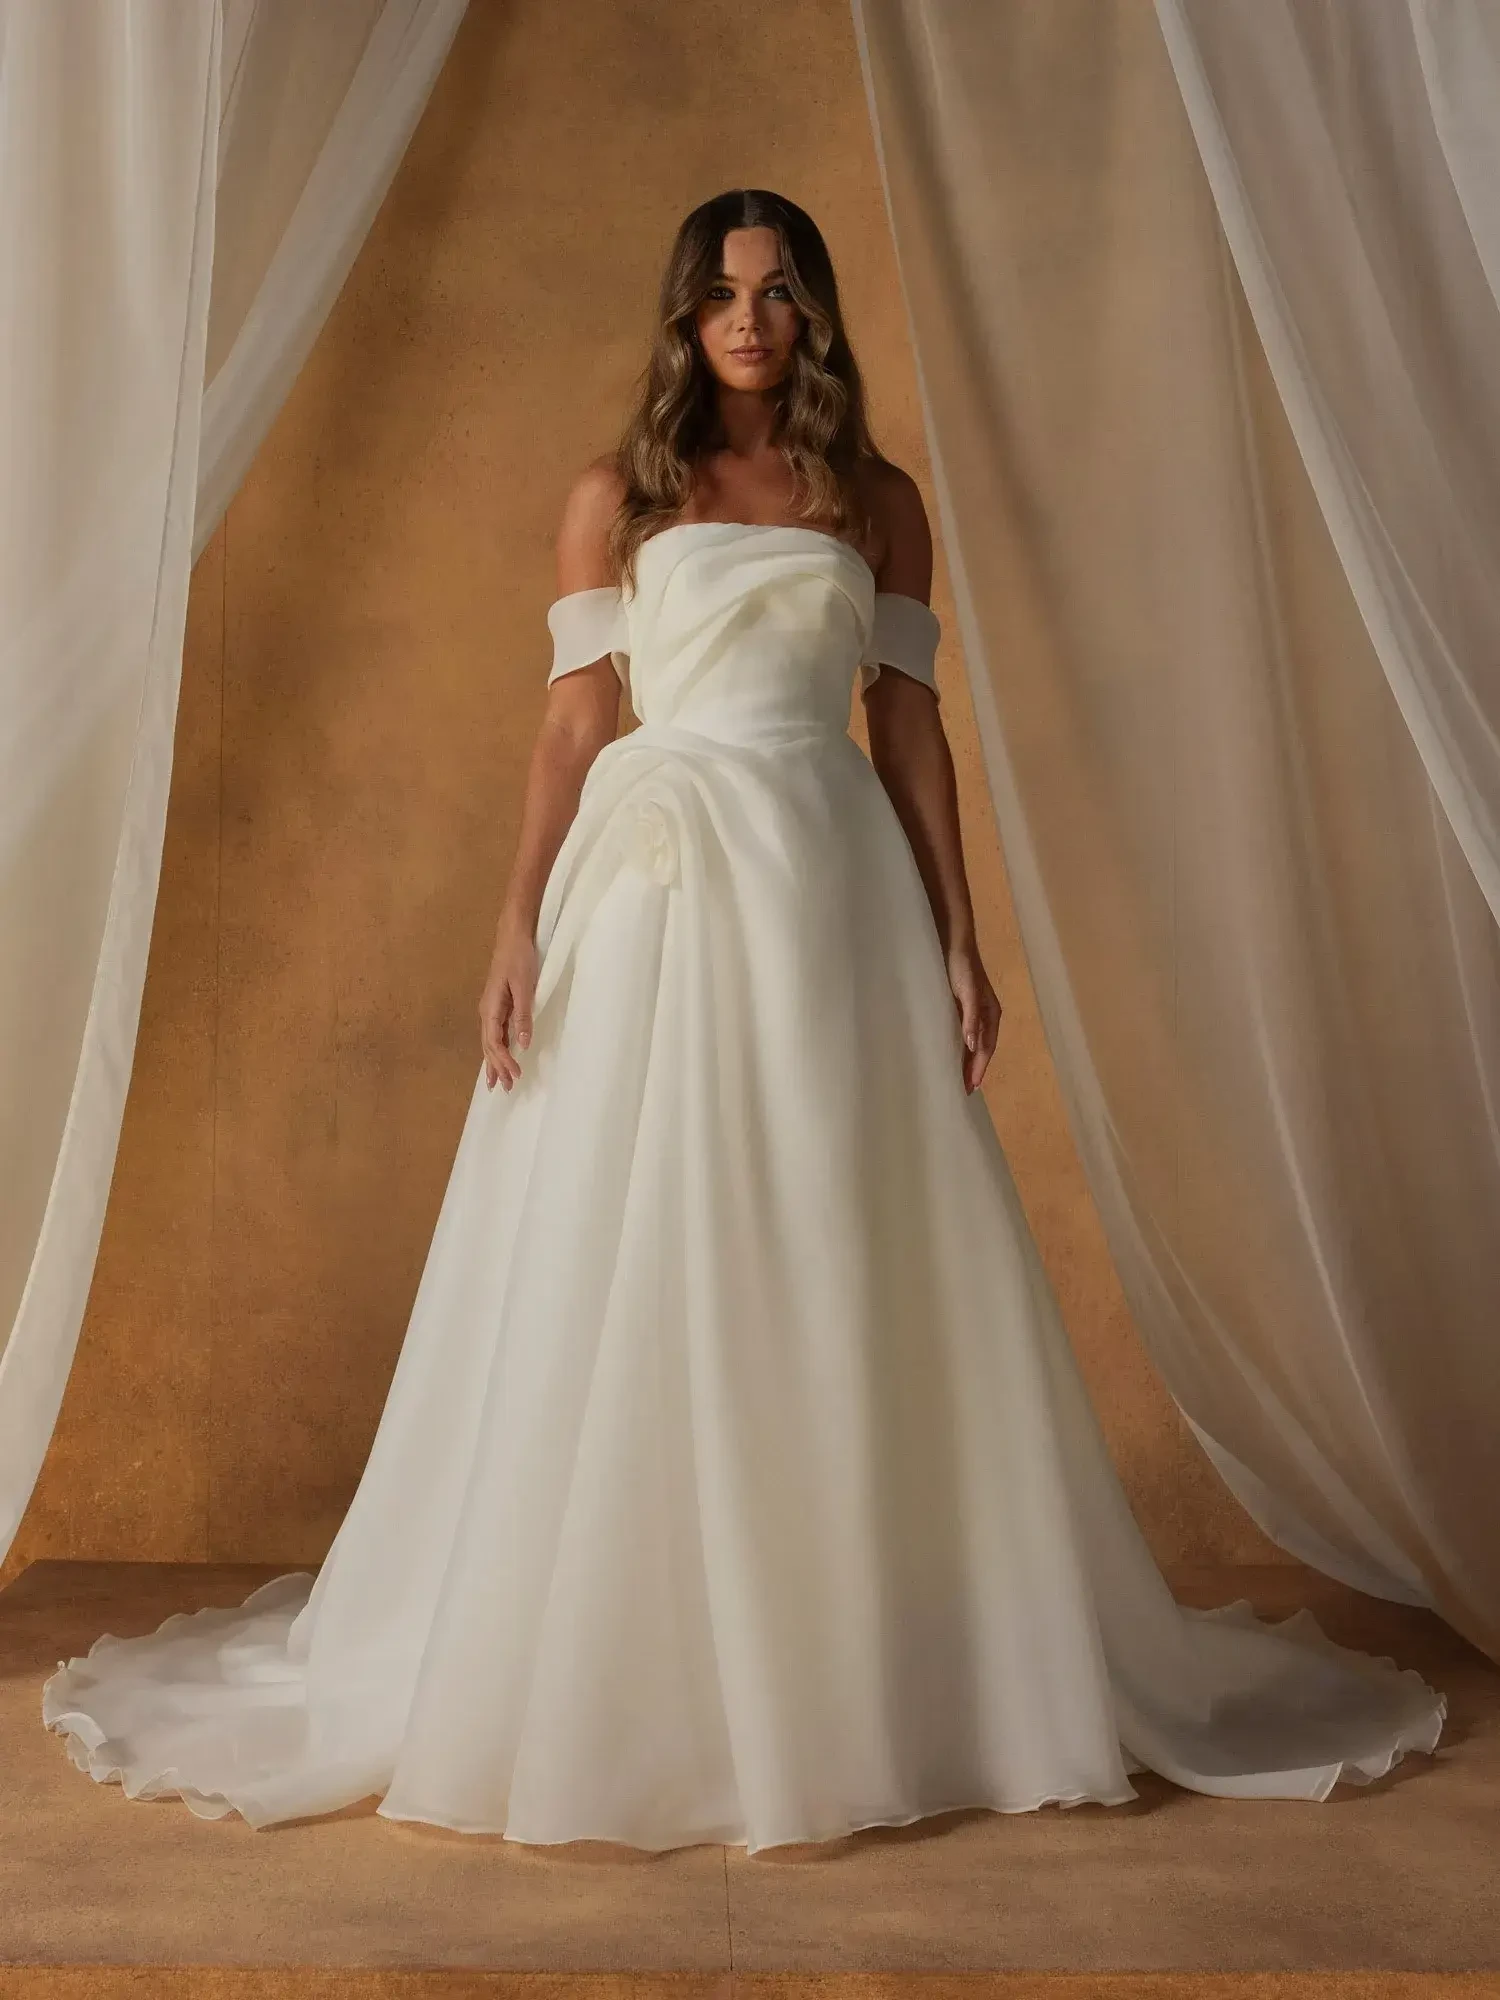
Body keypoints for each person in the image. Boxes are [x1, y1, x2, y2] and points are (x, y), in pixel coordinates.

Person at [42, 190, 1445, 1853]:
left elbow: (907, 724)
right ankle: (625, 1657)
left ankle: (850, 1654)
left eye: (778, 293)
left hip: (828, 886)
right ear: (683, 316)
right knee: (617, 1243)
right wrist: (512, 921)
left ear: (817, 313)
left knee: (833, 1236)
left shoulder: (880, 502)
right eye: (720, 294)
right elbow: (575, 727)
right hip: (647, 896)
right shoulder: (616, 497)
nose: (750, 320)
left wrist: (960, 932)